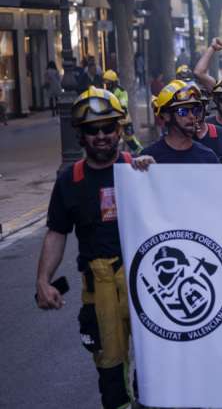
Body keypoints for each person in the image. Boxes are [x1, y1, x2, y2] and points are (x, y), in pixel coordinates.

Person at [35, 87, 152, 409]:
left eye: (107, 129)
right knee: (111, 375)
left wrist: (153, 175)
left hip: (145, 286)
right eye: (92, 130)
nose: (101, 136)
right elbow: (57, 233)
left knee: (154, 370)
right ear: (80, 135)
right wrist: (43, 280)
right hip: (98, 290)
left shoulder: (139, 170)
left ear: (119, 130)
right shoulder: (68, 181)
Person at [141, 79, 219, 163]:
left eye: (195, 110)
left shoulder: (208, 157)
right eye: (183, 111)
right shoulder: (149, 158)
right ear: (166, 115)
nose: (192, 116)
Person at [102, 69, 144, 155]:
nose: (106, 85)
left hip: (124, 120)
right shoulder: (107, 92)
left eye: (108, 83)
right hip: (113, 120)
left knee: (130, 139)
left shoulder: (121, 91)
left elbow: (123, 105)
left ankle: (141, 153)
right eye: (106, 83)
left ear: (113, 82)